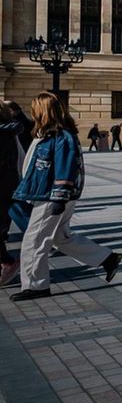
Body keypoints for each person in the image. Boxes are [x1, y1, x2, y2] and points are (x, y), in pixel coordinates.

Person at [10, 93, 122, 301]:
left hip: (52, 196)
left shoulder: (62, 136)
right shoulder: (46, 134)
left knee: (33, 241)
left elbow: (66, 168)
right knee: (60, 237)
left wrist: (59, 198)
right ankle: (107, 258)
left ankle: (36, 285)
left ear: (43, 111)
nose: (32, 112)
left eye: (35, 108)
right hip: (47, 194)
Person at [0, 101, 28, 287]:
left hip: (3, 188)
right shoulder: (8, 131)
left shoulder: (4, 134)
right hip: (7, 187)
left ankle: (8, 262)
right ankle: (7, 262)